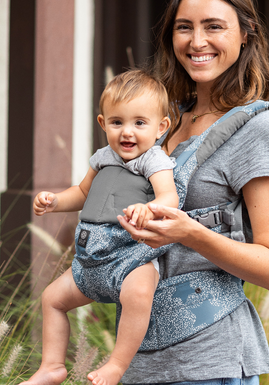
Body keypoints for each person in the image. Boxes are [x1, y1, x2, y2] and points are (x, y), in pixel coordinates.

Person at [117, 0, 269, 385]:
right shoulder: (162, 123)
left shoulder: (260, 129)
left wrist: (189, 232)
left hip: (208, 363)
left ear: (245, 33)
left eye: (213, 26)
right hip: (139, 360)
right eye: (184, 27)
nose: (197, 42)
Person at [20, 70, 179, 385]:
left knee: (139, 294)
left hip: (129, 256)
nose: (127, 132)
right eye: (117, 122)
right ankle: (52, 366)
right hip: (89, 259)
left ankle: (116, 365)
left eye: (139, 123)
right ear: (103, 123)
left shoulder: (154, 160)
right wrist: (54, 202)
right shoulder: (102, 158)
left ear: (161, 127)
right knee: (52, 298)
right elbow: (81, 193)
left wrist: (148, 209)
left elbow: (169, 197)